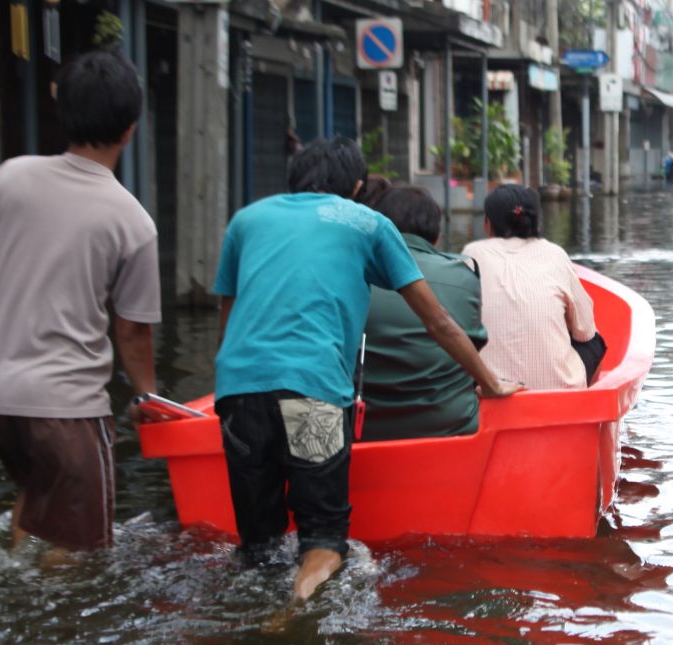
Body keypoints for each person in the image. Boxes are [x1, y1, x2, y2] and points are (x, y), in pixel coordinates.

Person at [213, 139, 519, 603]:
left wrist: (233, 386)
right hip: (312, 396)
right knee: (323, 541)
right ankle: (296, 608)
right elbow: (437, 321)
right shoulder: (367, 222)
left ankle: (254, 616)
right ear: (356, 187)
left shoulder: (247, 220)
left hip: (239, 395)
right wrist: (491, 381)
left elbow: (228, 317)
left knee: (259, 546)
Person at [0, 50, 159, 556]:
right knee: (82, 546)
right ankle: (39, 620)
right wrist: (147, 398)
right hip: (64, 404)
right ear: (130, 129)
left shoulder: (12, 177)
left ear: (63, 113)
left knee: (39, 493)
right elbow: (131, 330)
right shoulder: (133, 222)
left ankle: (16, 580)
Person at [359, 185, 490, 441]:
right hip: (451, 425)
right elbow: (474, 347)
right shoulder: (464, 274)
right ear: (437, 236)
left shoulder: (353, 273)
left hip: (365, 427)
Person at [462, 185, 599, 391]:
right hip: (560, 391)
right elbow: (585, 331)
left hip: (489, 389)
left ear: (487, 224)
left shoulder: (472, 253)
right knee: (596, 342)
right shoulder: (555, 254)